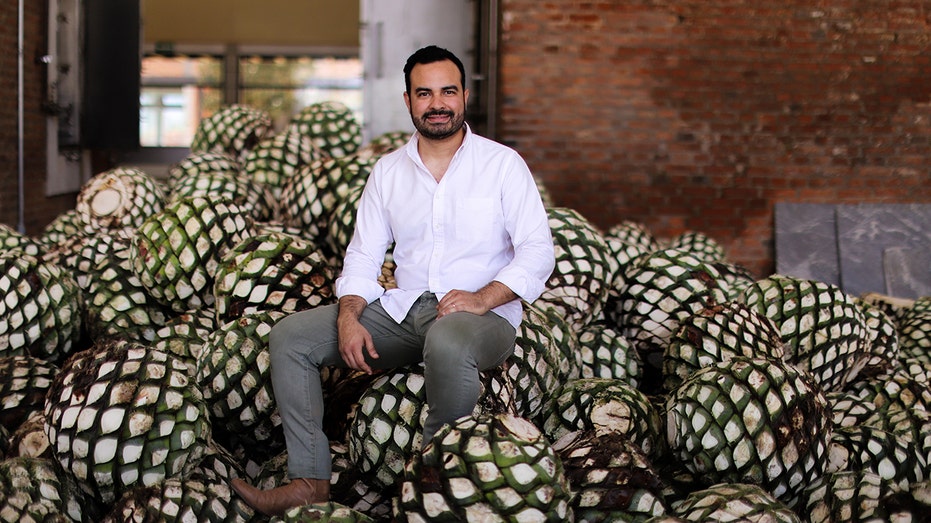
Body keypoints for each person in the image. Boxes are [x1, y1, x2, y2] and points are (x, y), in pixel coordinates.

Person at [232, 44, 555, 516]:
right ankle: (309, 481)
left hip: (482, 319)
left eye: (448, 91)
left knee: (447, 340)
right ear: (408, 100)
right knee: (290, 338)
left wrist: (484, 297)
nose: (437, 103)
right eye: (424, 93)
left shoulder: (503, 164)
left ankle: (435, 488)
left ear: (465, 95)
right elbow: (363, 254)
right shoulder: (387, 172)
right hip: (406, 309)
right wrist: (349, 315)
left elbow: (537, 251)